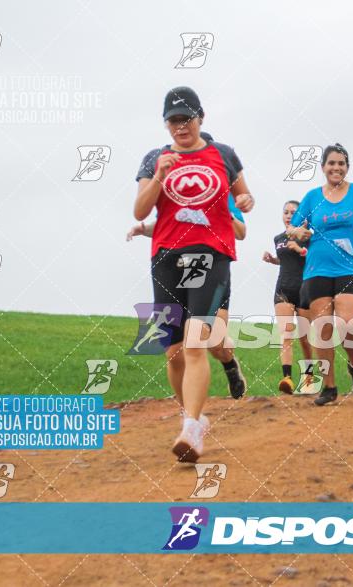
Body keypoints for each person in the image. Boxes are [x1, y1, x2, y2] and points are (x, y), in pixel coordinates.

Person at [133, 86, 254, 462]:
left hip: (209, 255)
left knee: (196, 342)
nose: (179, 126)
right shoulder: (155, 158)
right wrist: (157, 178)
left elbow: (243, 198)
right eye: (173, 120)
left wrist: (246, 201)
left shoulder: (223, 154)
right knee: (172, 352)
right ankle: (191, 418)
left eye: (186, 118)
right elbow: (139, 210)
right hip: (166, 256)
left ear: (200, 117)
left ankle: (192, 427)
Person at [287, 143, 353, 406]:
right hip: (317, 269)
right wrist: (298, 233)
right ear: (323, 168)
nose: (336, 168)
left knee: (348, 323)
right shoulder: (312, 197)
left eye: (341, 163)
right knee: (323, 329)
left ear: (347, 167)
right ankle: (328, 387)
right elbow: (291, 228)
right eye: (332, 163)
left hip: (351, 268)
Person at [262, 200, 314, 394]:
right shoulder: (278, 238)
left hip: (304, 289)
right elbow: (284, 260)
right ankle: (287, 379)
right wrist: (272, 259)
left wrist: (300, 249)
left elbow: (316, 259)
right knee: (286, 335)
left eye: (293, 212)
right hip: (283, 288)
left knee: (305, 338)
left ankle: (309, 377)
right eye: (286, 212)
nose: (289, 215)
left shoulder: (308, 237)